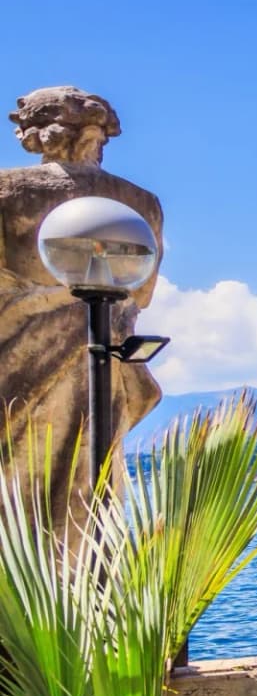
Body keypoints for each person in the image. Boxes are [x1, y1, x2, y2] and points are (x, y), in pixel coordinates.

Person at [0, 87, 164, 529]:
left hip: (17, 360)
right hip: (104, 355)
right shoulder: (140, 205)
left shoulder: (7, 191)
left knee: (15, 495)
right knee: (89, 495)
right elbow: (141, 293)